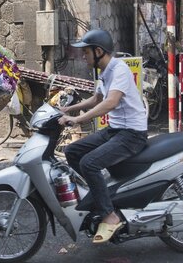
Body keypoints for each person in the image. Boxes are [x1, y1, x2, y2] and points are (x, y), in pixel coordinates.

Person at [58, 29, 147, 244]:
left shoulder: (120, 70)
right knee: (72, 151)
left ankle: (110, 215)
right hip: (116, 130)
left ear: (98, 51)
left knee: (89, 163)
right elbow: (96, 99)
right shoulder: (104, 73)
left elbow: (111, 102)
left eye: (86, 52)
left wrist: (78, 120)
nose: (83, 56)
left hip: (132, 134)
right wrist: (68, 110)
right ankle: (100, 195)